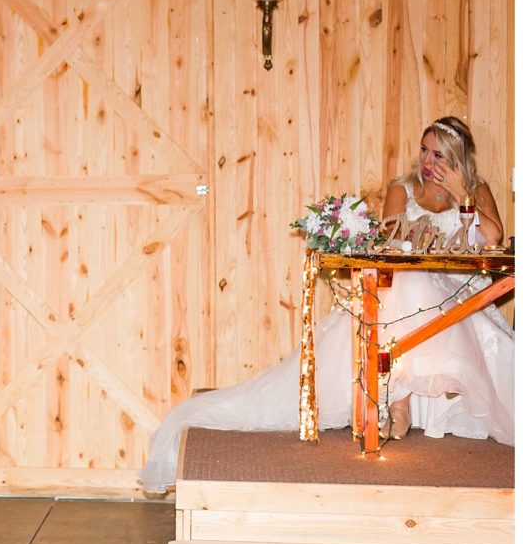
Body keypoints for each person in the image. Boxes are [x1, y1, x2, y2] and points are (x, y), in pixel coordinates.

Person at [139, 117, 514, 494]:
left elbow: (493, 235)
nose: (428, 162)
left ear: (456, 159)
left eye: (438, 155)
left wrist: (462, 190)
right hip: (406, 284)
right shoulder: (403, 188)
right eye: (423, 150)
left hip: (460, 289)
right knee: (410, 280)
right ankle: (396, 397)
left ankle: (408, 395)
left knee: (441, 303)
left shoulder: (474, 189)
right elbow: (391, 240)